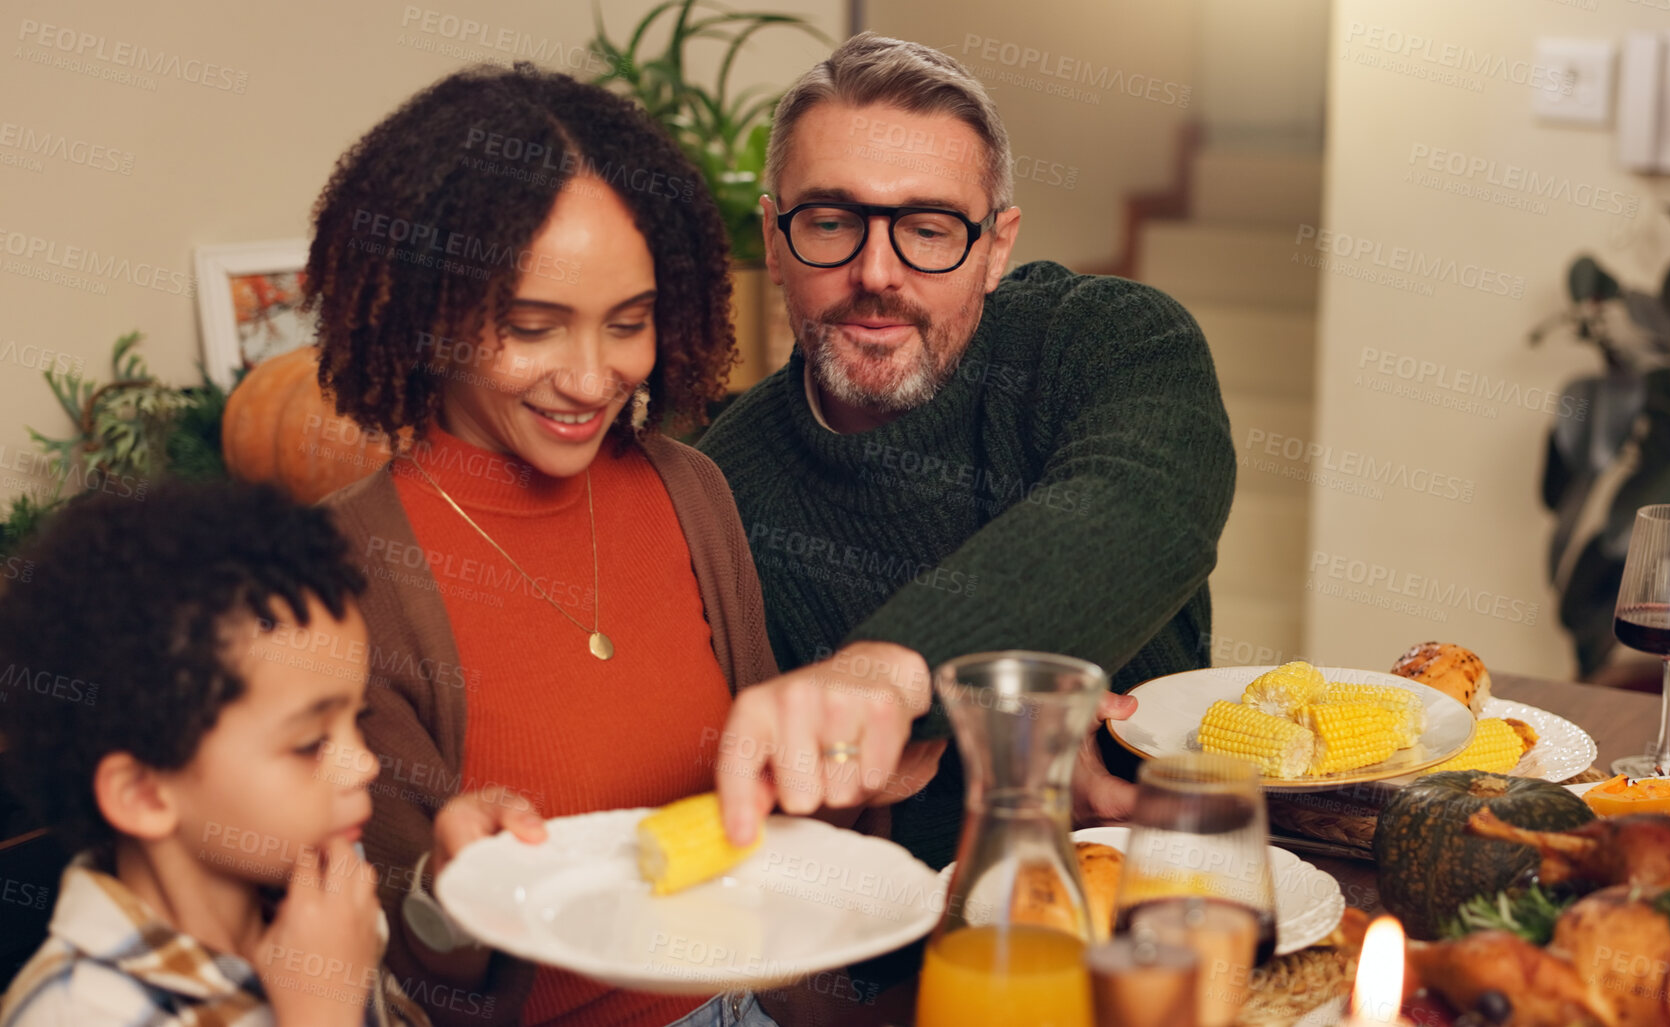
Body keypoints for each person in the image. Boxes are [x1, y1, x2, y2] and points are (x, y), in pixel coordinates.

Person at [310, 64, 935, 1027]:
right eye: (531, 327)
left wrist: (839, 779)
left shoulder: (691, 492)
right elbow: (414, 972)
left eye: (629, 323)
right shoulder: (347, 569)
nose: (592, 377)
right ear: (431, 309)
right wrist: (446, 881)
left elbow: (775, 843)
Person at [699, 33, 1236, 871]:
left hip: (1177, 880)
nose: (877, 270)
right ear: (773, 239)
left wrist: (893, 675)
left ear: (995, 247)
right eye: (832, 221)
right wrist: (990, 745)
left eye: (929, 226)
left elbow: (1144, 506)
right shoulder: (720, 488)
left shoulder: (1107, 340)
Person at [0, 480, 426, 1027]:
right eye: (311, 743)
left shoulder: (322, 898)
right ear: (145, 794)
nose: (365, 763)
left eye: (357, 719)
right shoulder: (71, 1013)